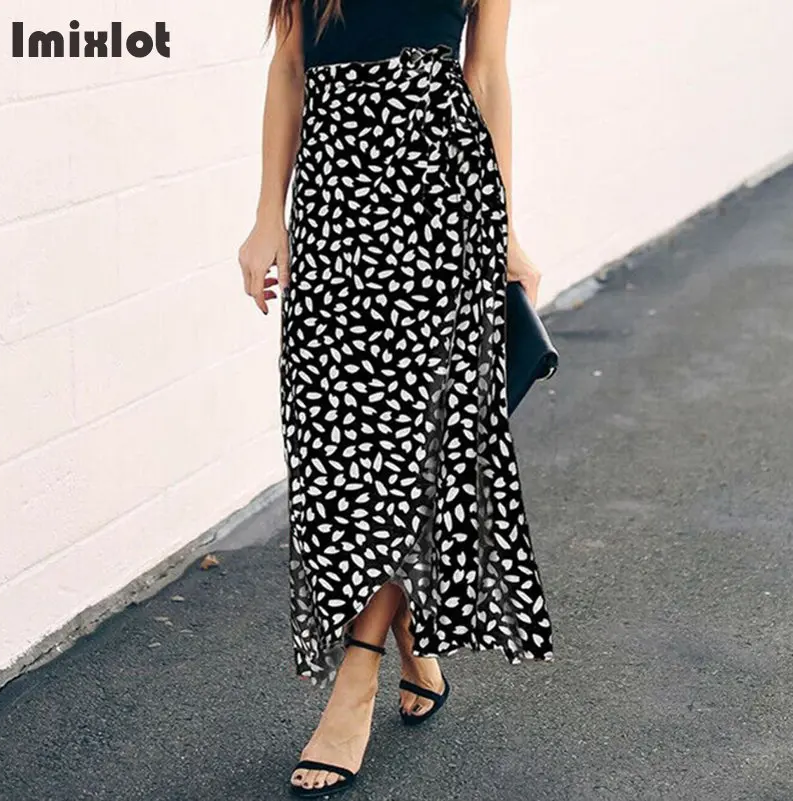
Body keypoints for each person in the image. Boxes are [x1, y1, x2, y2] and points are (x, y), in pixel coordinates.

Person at [238, 0, 554, 796]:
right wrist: (267, 216)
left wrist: (503, 229)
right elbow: (288, 67)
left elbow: (485, 72)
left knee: (411, 441)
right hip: (332, 206)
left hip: (439, 197)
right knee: (335, 444)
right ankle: (412, 636)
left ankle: (357, 672)